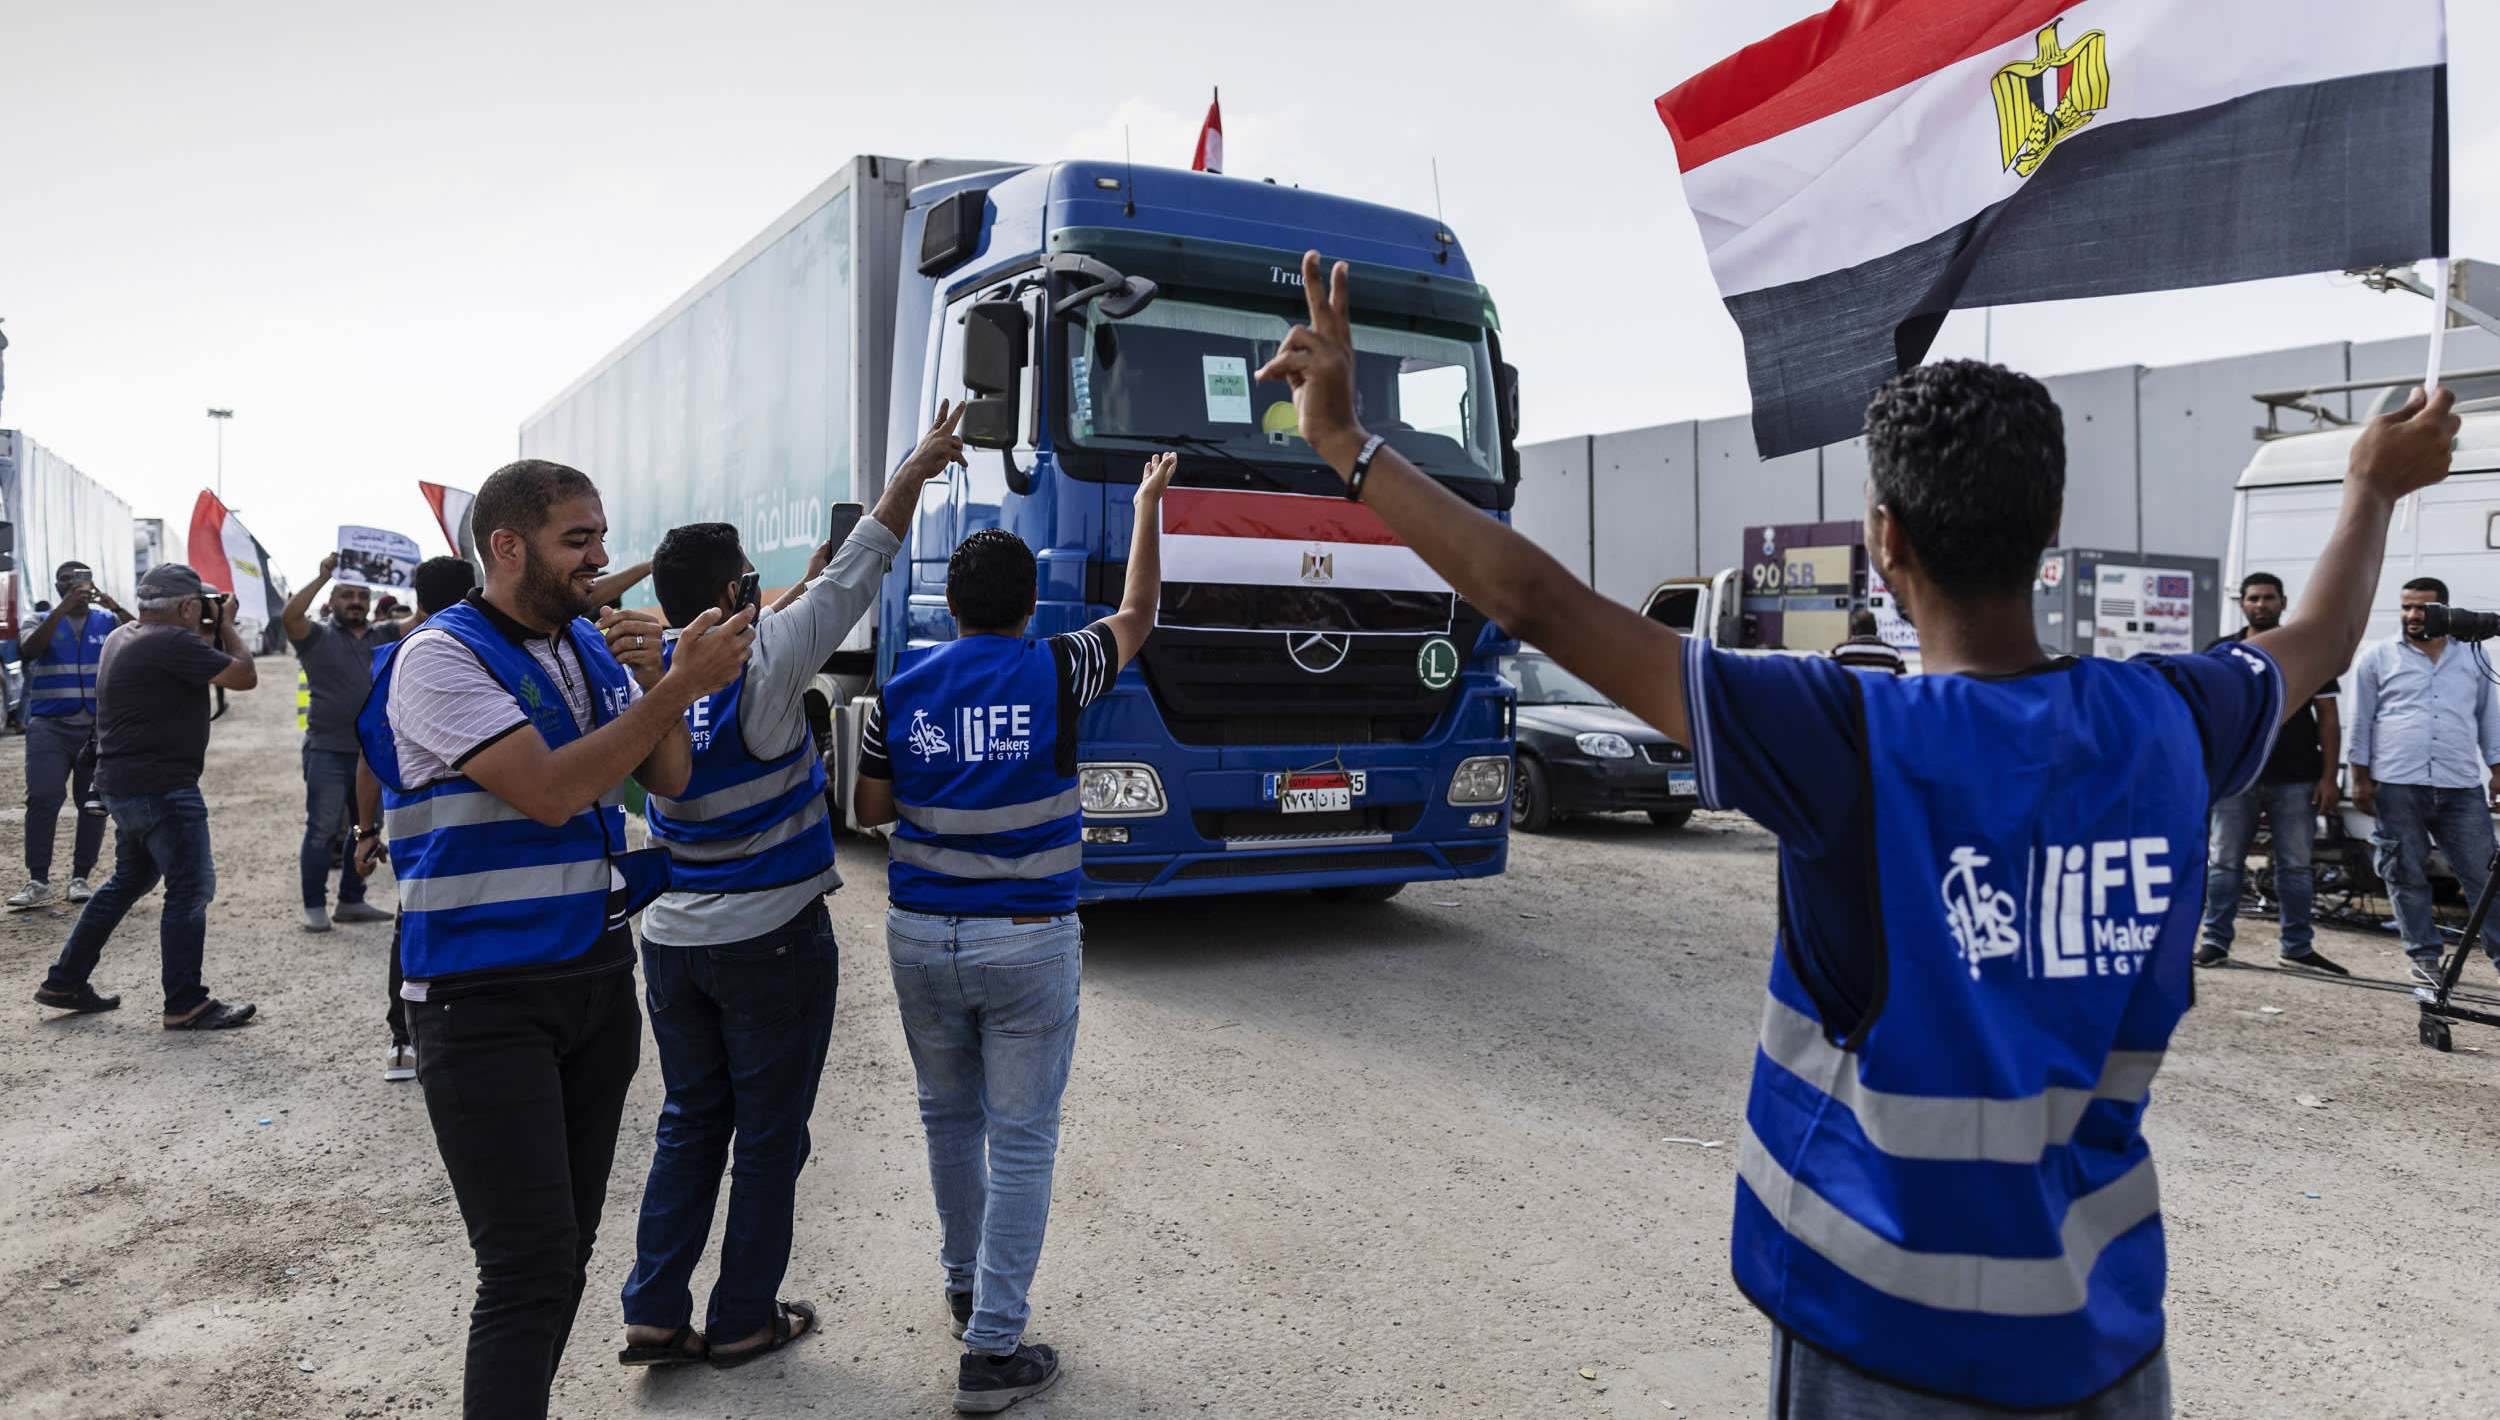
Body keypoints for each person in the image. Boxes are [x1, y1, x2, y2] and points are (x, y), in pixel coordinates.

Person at [1252, 249, 2457, 1418]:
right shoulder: (2168, 720)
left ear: (1885, 540)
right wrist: (2369, 485)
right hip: (2098, 1330)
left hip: (1875, 1324)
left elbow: (1536, 600)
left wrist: (1349, 447)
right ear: (2045, 534)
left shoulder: (1842, 734)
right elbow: (2319, 635)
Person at [354, 460, 753, 1420]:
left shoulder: (581, 646)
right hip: (483, 1000)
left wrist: (660, 679)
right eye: (577, 539)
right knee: (526, 1267)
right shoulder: (439, 657)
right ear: (505, 546)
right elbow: (552, 790)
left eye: (600, 535)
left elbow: (669, 780)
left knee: (563, 1252)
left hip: (593, 982)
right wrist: (674, 689)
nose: (601, 558)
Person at [613, 405, 966, 1372]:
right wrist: (916, 467)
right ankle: (741, 1318)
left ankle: (652, 1309)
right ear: (737, 590)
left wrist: (800, 581)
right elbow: (865, 566)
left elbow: (815, 588)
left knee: (691, 1120)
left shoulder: (653, 674)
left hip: (673, 944)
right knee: (769, 1136)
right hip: (769, 944)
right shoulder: (769, 662)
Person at [852, 451, 1177, 1415]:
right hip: (1029, 940)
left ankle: (964, 1288)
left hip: (921, 936)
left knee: (947, 1120)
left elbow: (872, 807)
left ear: (950, 605)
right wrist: (1149, 503)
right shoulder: (1058, 662)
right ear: (1031, 607)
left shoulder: (902, 688)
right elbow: (1140, 615)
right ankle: (994, 1347)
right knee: (1022, 1138)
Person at [33, 564, 261, 1028]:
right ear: (186, 606)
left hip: (125, 785)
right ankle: (185, 1002)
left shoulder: (126, 635)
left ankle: (65, 979)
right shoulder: (173, 642)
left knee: (127, 882)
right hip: (164, 789)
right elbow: (243, 676)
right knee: (190, 888)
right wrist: (229, 625)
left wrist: (210, 626)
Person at [350, 554, 479, 1081]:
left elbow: (368, 758)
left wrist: (365, 833)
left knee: (414, 927)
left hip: (419, 835)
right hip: (482, 827)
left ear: (419, 602)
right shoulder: (494, 652)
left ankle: (403, 1040)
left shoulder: (394, 661)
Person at [2348, 576, 2500, 987]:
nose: (2413, 615)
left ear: (2444, 610)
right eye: (2406, 607)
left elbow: (2489, 717)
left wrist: (2498, 769)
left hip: (2459, 783)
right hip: (2397, 784)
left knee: (2485, 877)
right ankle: (2424, 958)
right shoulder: (2377, 656)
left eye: (2423, 608)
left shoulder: (2473, 655)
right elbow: (2361, 722)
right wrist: (2359, 779)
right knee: (2404, 873)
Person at [2196, 573, 2346, 974]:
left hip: (2297, 777)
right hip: (2236, 778)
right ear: (2241, 603)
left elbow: (2328, 719)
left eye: (2268, 598)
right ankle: (2214, 942)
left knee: (2295, 866)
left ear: (2284, 601)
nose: (2261, 604)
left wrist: (2329, 776)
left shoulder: (2306, 650)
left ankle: (2296, 947)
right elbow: (2206, 716)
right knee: (2225, 863)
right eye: (2253, 598)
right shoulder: (2222, 651)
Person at [282, 554, 409, 932]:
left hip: (372, 753)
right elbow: (289, 616)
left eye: (362, 595)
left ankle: (352, 900)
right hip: (327, 750)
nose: (355, 601)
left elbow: (424, 619)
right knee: (321, 831)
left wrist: (415, 577)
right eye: (347, 595)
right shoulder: (316, 636)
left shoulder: (385, 633)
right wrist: (321, 576)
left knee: (366, 828)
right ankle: (314, 905)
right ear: (333, 600)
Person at [12, 561, 129, 907]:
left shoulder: (107, 621)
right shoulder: (39, 619)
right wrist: (61, 610)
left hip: (96, 729)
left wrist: (113, 605)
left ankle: (81, 877)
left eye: (78, 579)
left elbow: (142, 635)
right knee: (42, 799)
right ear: (56, 585)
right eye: (64, 580)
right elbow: (29, 650)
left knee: (91, 803)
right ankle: (38, 880)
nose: (72, 584)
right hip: (49, 726)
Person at [1826, 607, 1905, 675]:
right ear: (1876, 629)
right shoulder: (1893, 653)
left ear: (1853, 630)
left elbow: (1828, 677)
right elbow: (1902, 682)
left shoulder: (1840, 650)